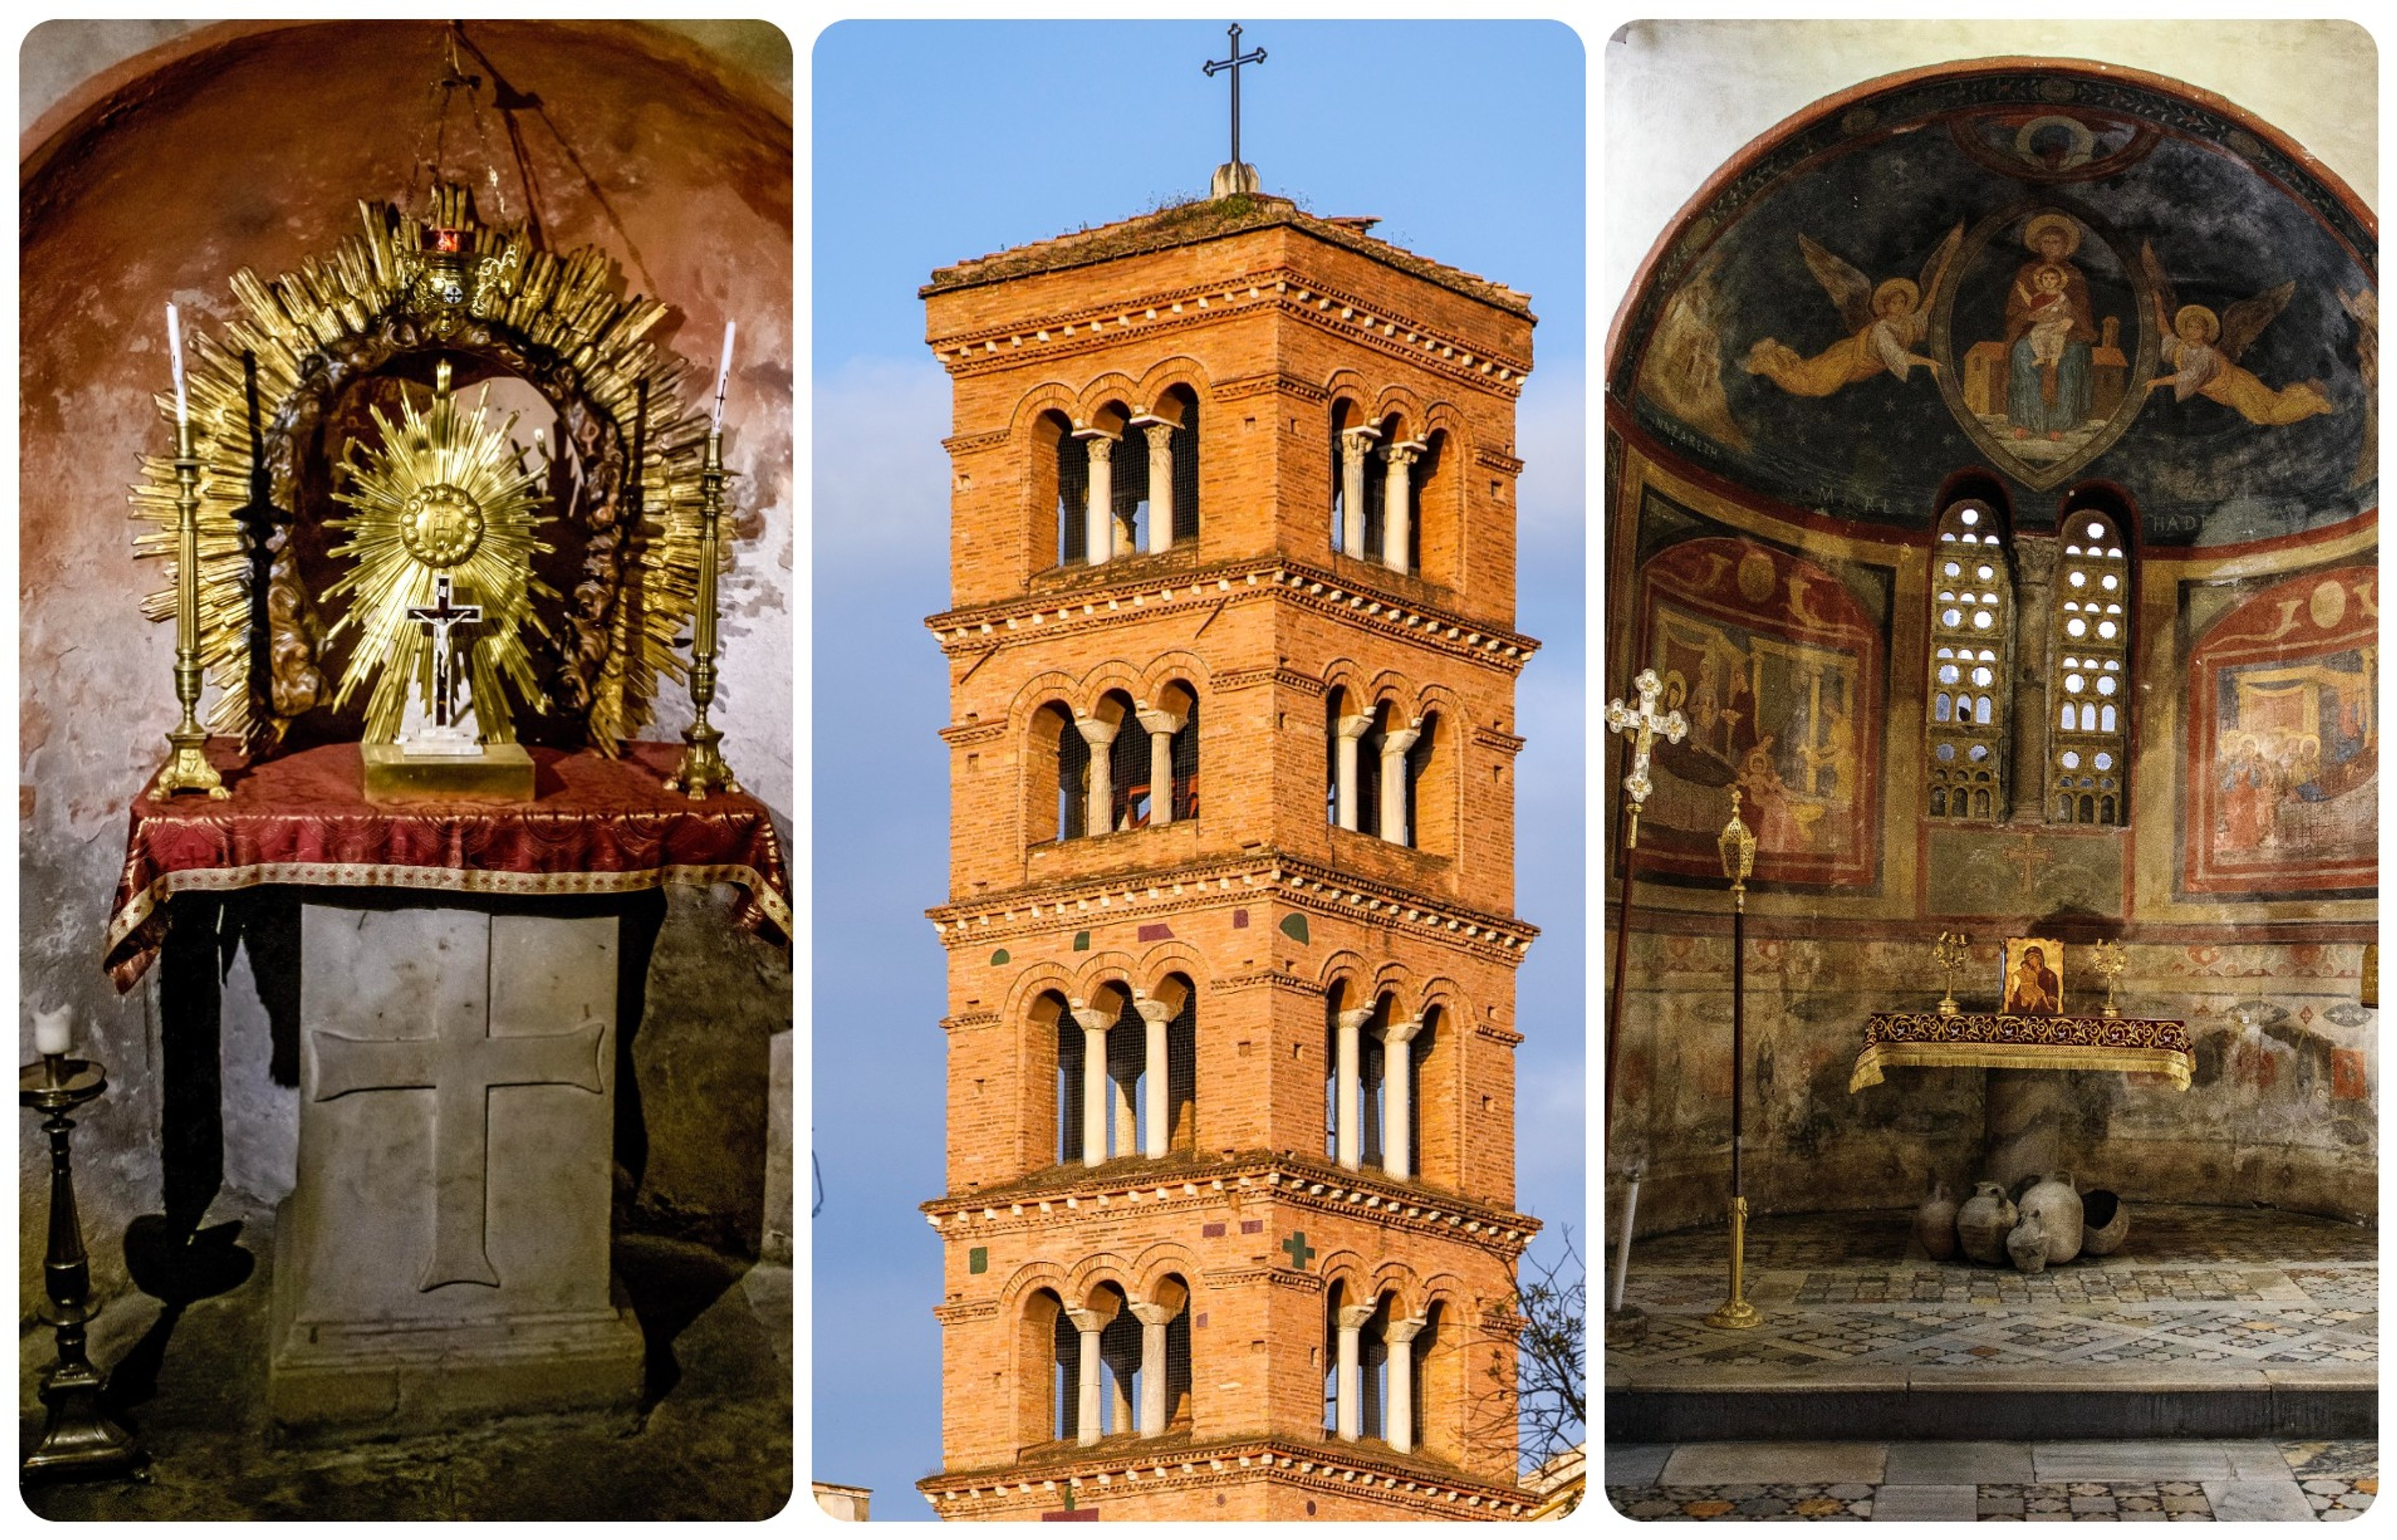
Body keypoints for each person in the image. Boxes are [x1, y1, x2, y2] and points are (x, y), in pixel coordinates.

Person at [2002, 217, 2097, 440]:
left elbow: (2082, 310)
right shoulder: (2028, 272)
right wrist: (2033, 317)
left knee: (2071, 357)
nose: (2051, 246)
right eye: (2046, 242)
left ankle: (2060, 423)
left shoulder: (2074, 275)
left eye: (2056, 242)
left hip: (2071, 333)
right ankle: (2027, 420)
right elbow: (2015, 309)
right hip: (2034, 330)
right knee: (2022, 353)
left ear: (2066, 246)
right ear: (2038, 245)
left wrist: (2072, 321)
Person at [2005, 944, 2062, 1015]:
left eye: (2032, 958)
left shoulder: (2050, 975)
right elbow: (2020, 991)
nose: (2030, 961)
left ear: (2039, 958)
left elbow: (2053, 1001)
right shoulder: (2026, 974)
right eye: (2028, 960)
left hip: (2043, 1013)